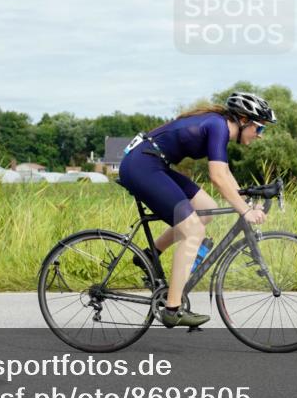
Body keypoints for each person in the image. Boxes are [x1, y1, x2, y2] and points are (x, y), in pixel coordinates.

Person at [118, 91, 276, 328]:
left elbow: (225, 173)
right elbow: (217, 177)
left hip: (152, 163)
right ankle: (172, 309)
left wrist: (246, 200)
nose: (260, 136)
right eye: (260, 129)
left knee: (207, 208)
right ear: (244, 120)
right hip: (142, 166)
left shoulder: (218, 126)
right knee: (193, 232)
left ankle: (151, 254)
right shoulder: (218, 126)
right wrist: (244, 211)